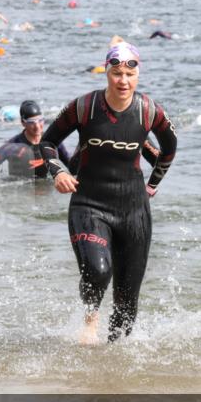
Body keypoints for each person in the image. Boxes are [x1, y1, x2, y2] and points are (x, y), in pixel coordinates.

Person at [38, 42, 177, 344]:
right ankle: (90, 321)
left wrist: (152, 185)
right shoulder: (84, 107)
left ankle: (113, 377)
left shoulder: (149, 111)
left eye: (129, 73)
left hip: (134, 211)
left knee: (127, 308)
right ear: (107, 72)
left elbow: (169, 149)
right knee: (98, 271)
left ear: (137, 74)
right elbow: (47, 142)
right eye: (116, 73)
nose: (123, 81)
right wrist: (58, 171)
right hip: (90, 203)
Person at [0, 101, 72, 184]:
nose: (37, 126)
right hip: (20, 192)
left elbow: (73, 167)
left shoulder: (52, 141)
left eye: (40, 120)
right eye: (32, 122)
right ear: (23, 122)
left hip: (45, 190)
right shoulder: (12, 146)